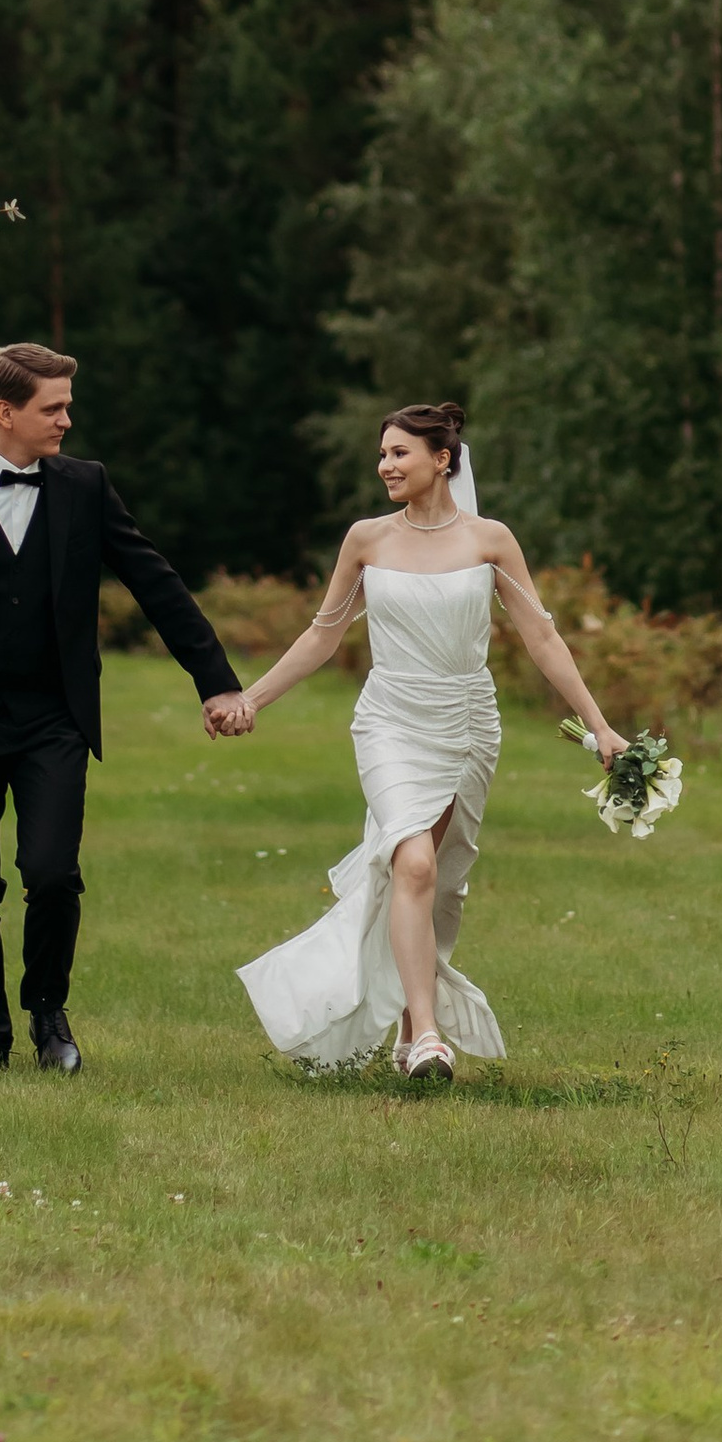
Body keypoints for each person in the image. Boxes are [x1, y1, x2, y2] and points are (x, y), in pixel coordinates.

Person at [0, 340, 242, 1071]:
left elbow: (155, 582)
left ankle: (46, 1012)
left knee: (53, 872)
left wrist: (215, 680)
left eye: (67, 405)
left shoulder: (86, 486)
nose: (67, 419)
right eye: (53, 407)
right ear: (6, 411)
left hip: (53, 719)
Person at [217, 401, 628, 1083]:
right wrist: (250, 698)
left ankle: (412, 1029)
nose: (385, 465)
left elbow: (542, 637)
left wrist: (599, 724)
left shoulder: (491, 541)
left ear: (442, 459)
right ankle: (431, 1035)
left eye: (399, 453)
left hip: (468, 723)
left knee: (440, 880)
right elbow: (323, 634)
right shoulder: (366, 540)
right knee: (411, 863)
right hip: (391, 720)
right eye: (382, 454)